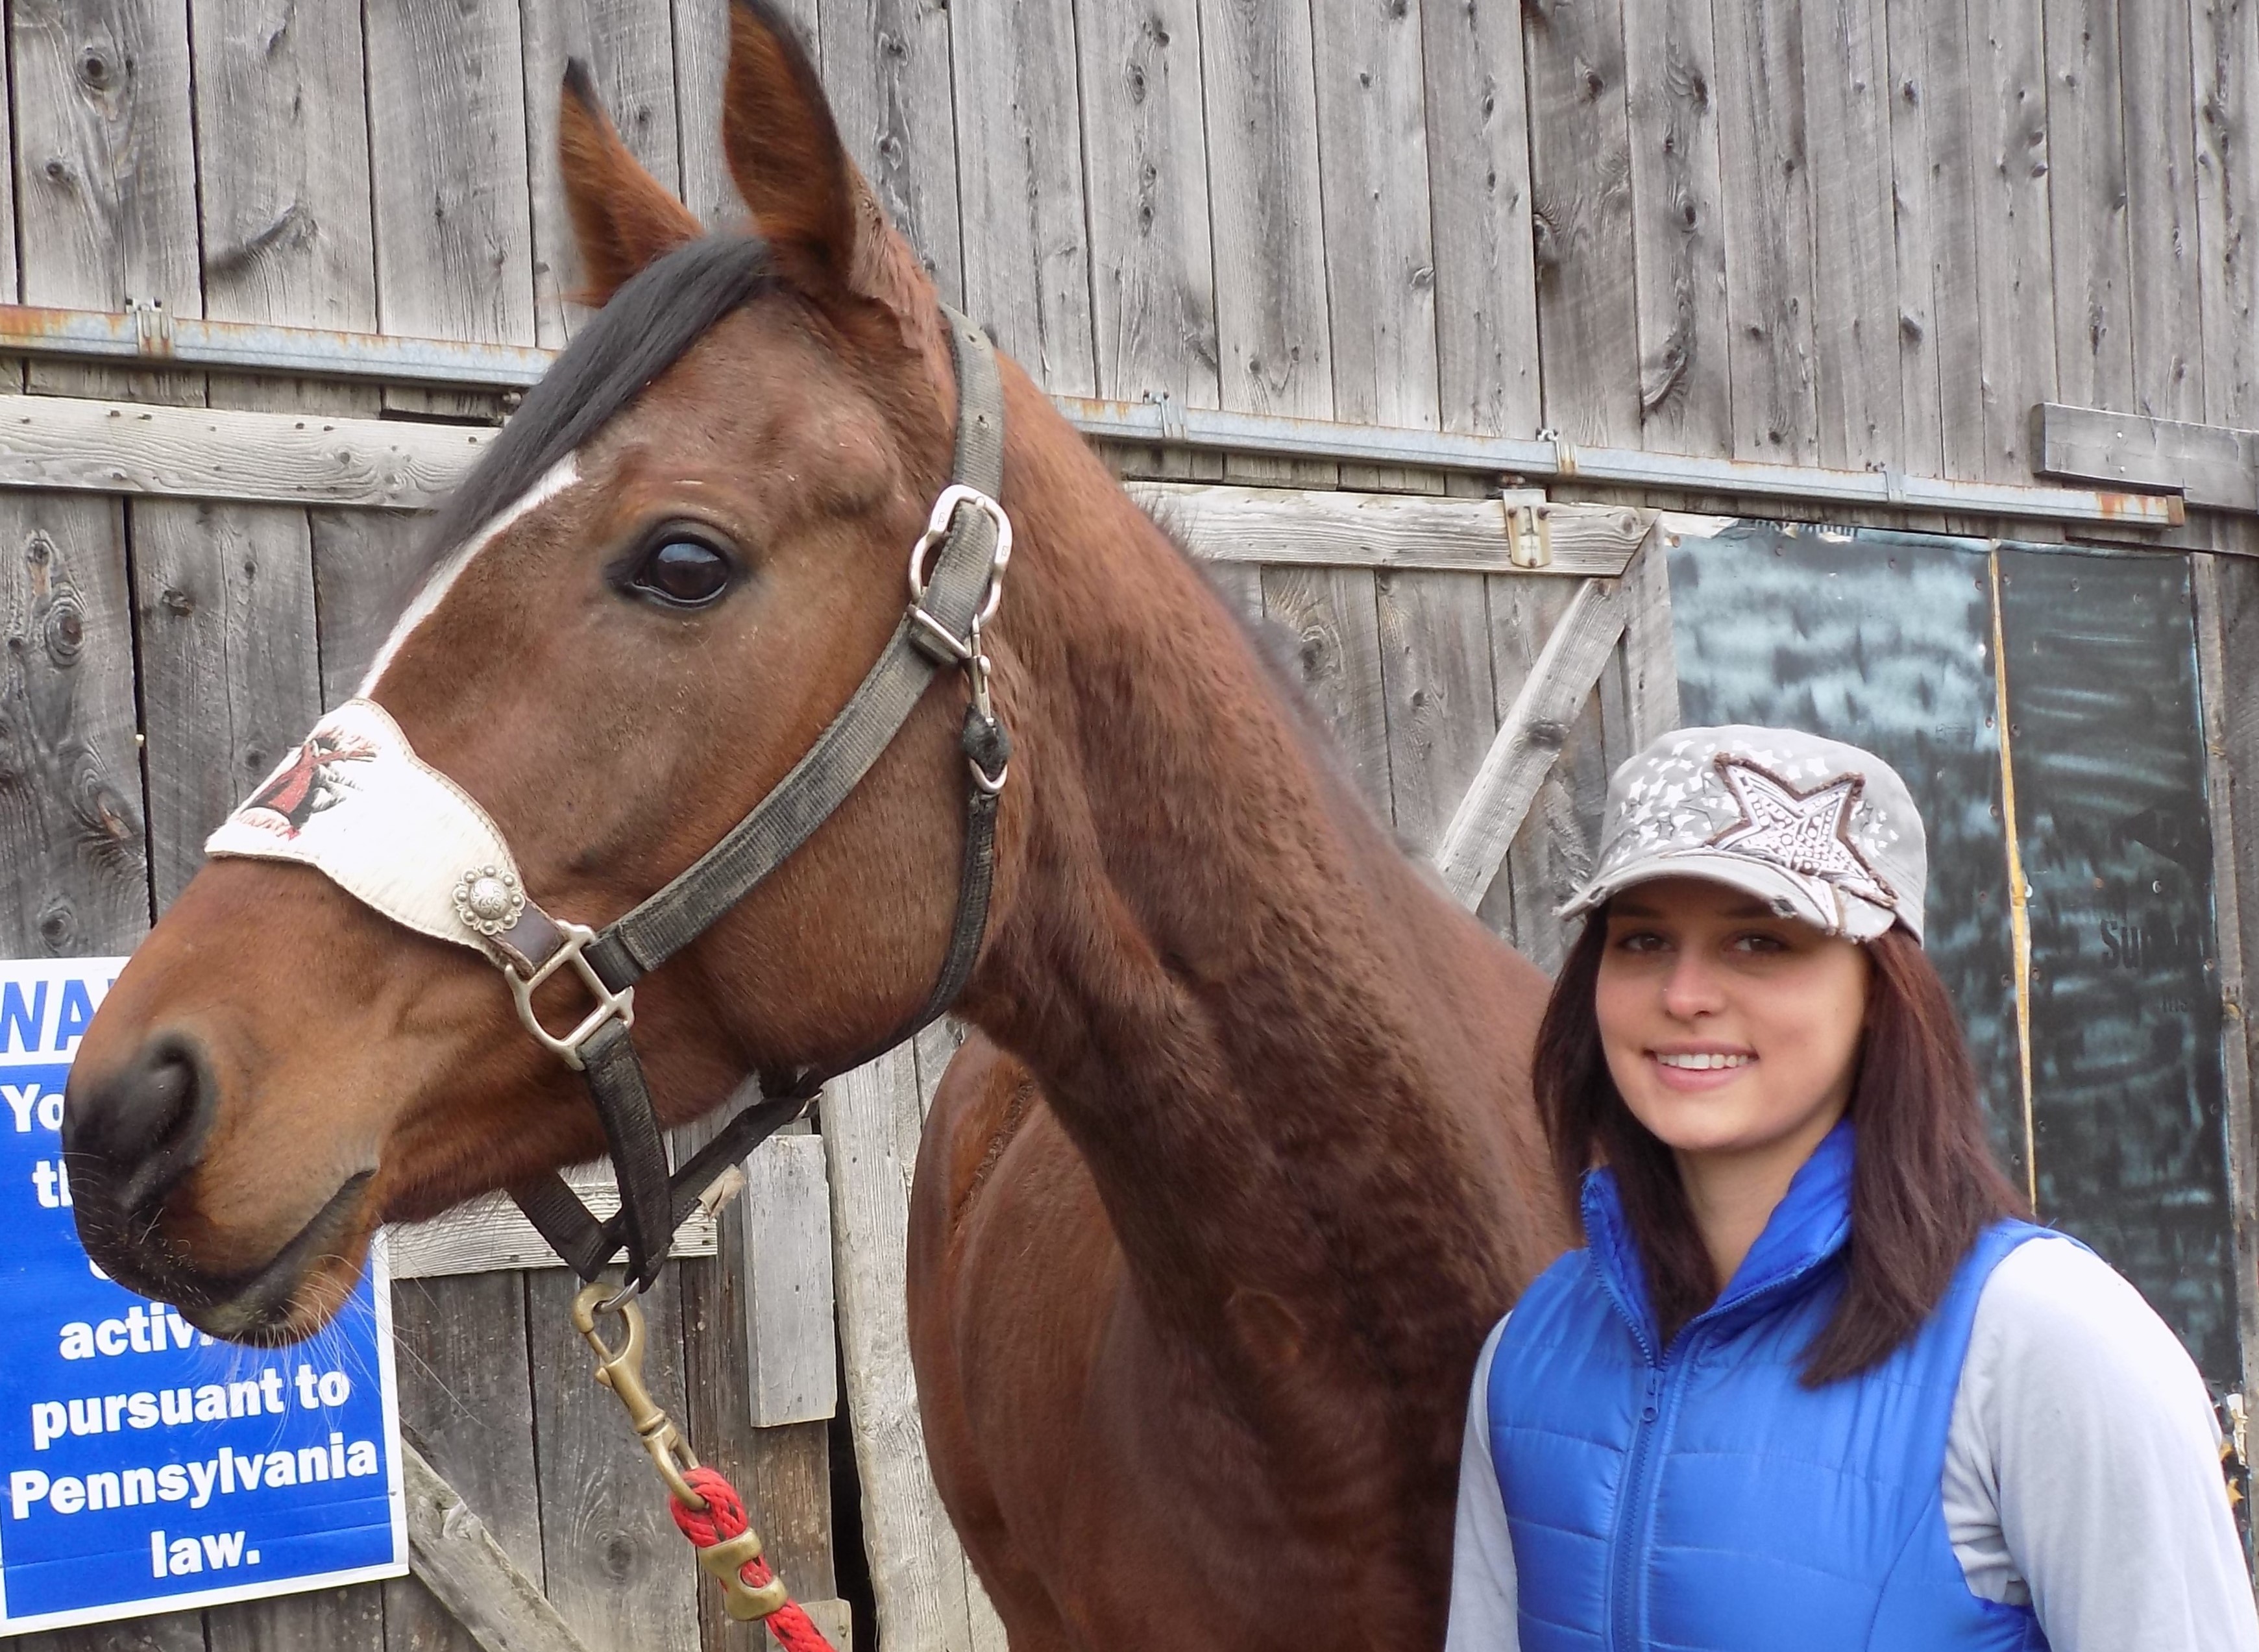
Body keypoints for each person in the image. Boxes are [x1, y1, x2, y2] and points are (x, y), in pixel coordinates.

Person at [1447, 725, 2258, 1651]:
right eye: (1640, 940)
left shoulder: (2043, 1343)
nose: (1682, 993)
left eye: (1759, 939)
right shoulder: (1529, 1351)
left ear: (1879, 988)